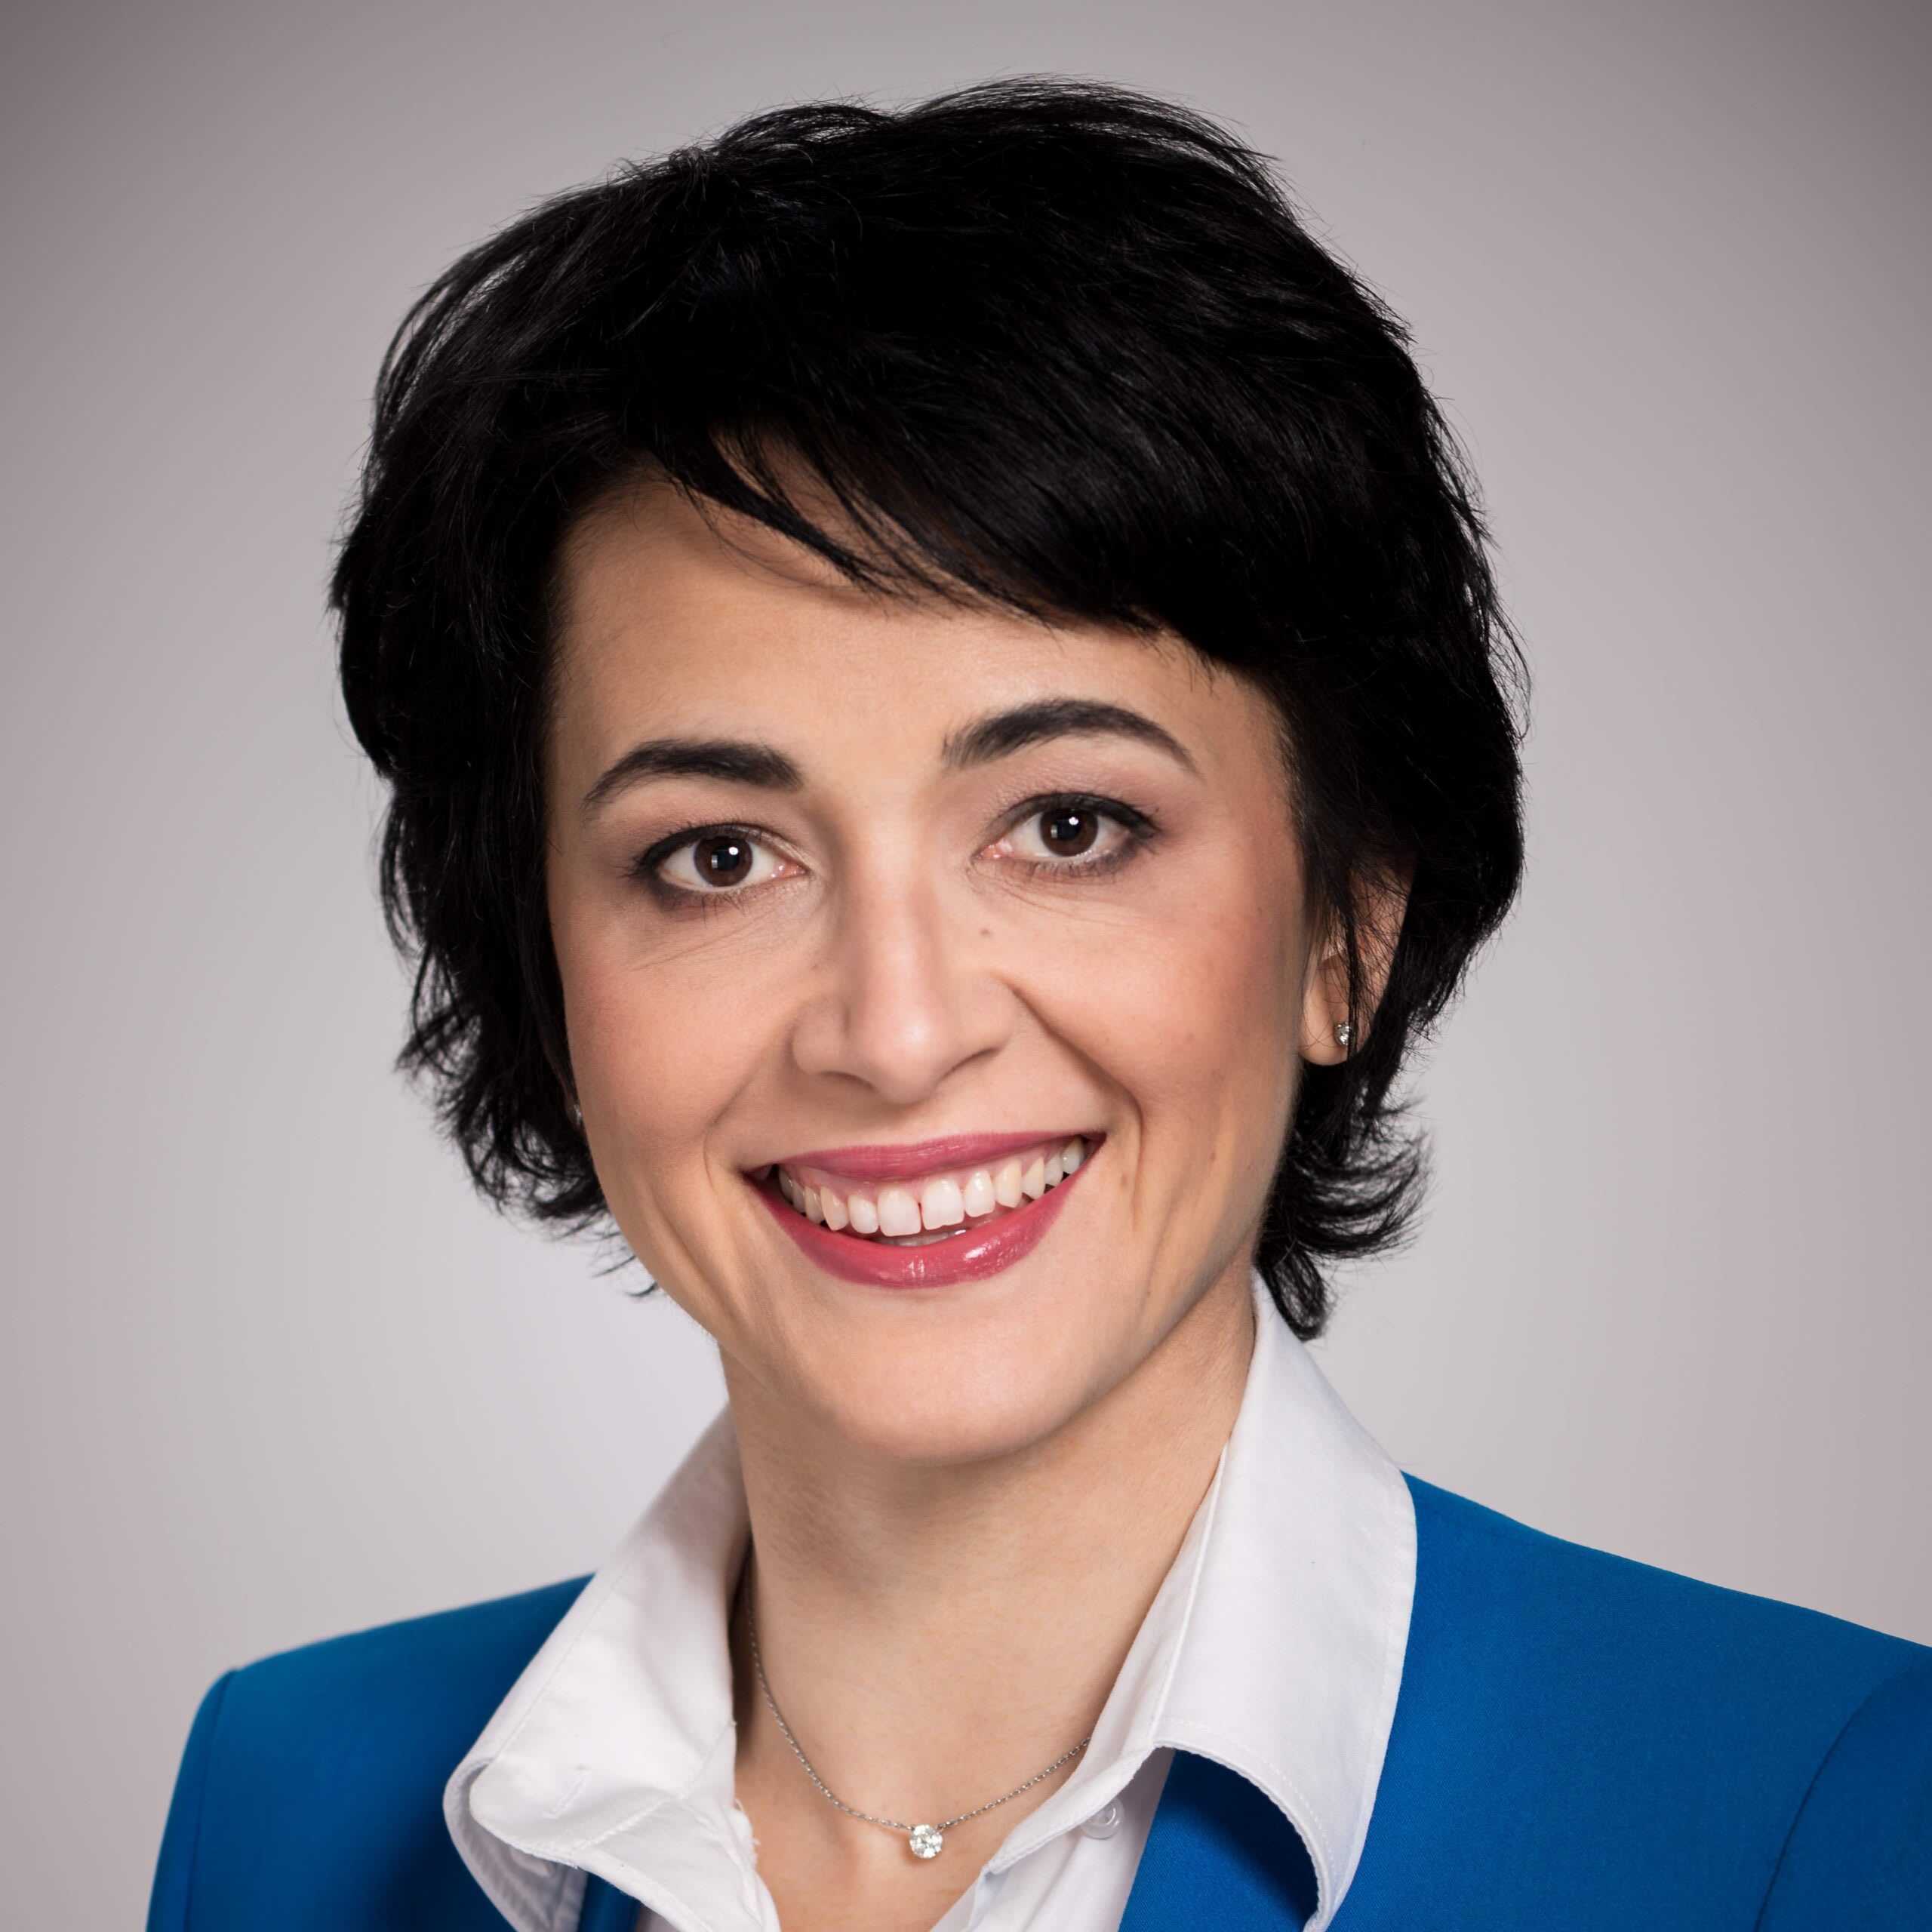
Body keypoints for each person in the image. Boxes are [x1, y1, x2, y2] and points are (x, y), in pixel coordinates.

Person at [146, 78, 1930, 1932]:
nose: (895, 1029)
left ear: (1347, 920)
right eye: (718, 855)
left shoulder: (1835, 1810)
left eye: (1067, 825)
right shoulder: (285, 1809)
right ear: (542, 970)